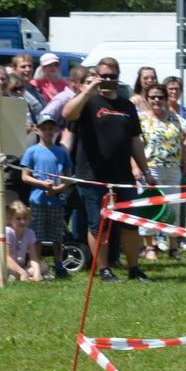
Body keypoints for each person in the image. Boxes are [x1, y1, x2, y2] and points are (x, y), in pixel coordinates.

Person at [63, 56, 152, 282]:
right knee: (98, 226)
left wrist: (145, 170)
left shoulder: (127, 105)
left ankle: (134, 268)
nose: (108, 80)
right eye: (104, 76)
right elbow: (67, 114)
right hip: (93, 176)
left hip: (123, 177)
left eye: (112, 77)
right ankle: (103, 270)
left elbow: (135, 141)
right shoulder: (87, 101)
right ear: (96, 76)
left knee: (131, 225)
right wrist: (88, 91)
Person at [138, 83, 186, 260]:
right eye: (153, 97)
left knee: (173, 207)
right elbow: (135, 145)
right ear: (147, 99)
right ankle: (150, 246)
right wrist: (137, 168)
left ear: (166, 99)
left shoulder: (174, 118)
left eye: (160, 97)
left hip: (173, 169)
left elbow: (181, 144)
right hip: (150, 168)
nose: (156, 100)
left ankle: (173, 246)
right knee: (150, 206)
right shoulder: (141, 120)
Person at [21, 113, 73, 279]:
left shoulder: (61, 152)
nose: (48, 132)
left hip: (57, 201)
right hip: (37, 200)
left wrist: (59, 188)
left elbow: (68, 176)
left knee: (57, 235)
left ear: (56, 130)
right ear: (37, 130)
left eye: (51, 129)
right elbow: (25, 176)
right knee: (37, 234)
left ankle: (59, 265)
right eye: (44, 129)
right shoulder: (31, 151)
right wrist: (42, 184)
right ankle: (37, 264)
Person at [0, 200, 42, 283]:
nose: (22, 222)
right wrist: (22, 272)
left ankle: (11, 277)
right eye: (18, 219)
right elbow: (6, 257)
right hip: (1, 264)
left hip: (19, 266)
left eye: (25, 218)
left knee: (43, 267)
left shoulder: (29, 233)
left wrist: (37, 273)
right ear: (10, 220)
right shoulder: (7, 232)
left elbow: (34, 257)